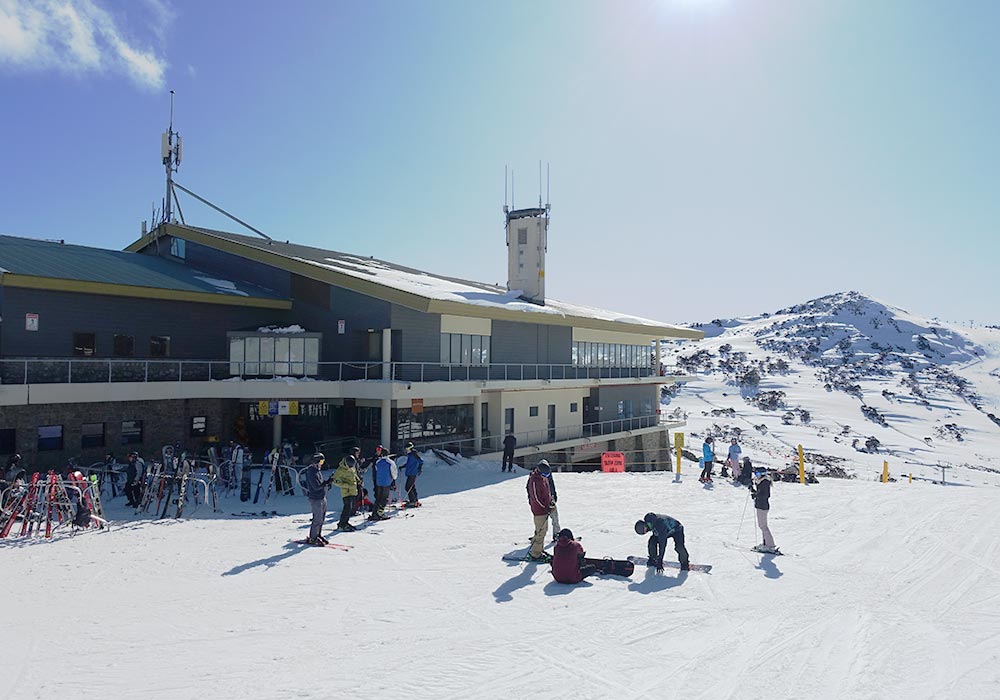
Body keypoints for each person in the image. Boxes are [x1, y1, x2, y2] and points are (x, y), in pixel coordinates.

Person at [526, 462, 555, 561]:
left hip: (545, 509)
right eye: (544, 474)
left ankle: (539, 550)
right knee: (540, 532)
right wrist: (545, 507)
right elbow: (535, 498)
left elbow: (547, 492)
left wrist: (551, 501)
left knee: (543, 530)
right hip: (539, 510)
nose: (545, 476)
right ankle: (535, 554)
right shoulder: (534, 480)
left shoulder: (543, 478)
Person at [303, 453, 330, 546]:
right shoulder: (311, 472)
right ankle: (313, 537)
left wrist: (328, 482)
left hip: (321, 497)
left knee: (322, 518)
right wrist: (326, 483)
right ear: (316, 462)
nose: (322, 464)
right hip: (315, 498)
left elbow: (320, 483)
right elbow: (316, 486)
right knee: (317, 519)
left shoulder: (317, 470)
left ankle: (318, 534)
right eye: (321, 462)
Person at [751, 467, 777, 553]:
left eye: (757, 474)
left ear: (762, 474)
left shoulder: (764, 482)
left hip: (762, 506)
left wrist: (756, 495)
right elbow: (760, 492)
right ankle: (766, 544)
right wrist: (753, 490)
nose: (756, 475)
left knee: (763, 526)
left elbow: (765, 495)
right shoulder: (761, 482)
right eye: (755, 473)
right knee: (762, 526)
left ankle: (770, 545)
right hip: (761, 505)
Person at [331, 454, 359, 531]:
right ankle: (342, 524)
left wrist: (358, 480)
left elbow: (354, 475)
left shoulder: (352, 467)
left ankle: (345, 522)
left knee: (350, 508)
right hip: (346, 492)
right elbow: (334, 480)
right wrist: (345, 485)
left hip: (353, 490)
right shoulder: (340, 470)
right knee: (347, 508)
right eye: (349, 465)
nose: (351, 467)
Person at [370, 447, 395, 521]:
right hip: (386, 482)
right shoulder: (390, 462)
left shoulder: (378, 461)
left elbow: (376, 470)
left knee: (378, 497)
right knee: (384, 498)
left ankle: (375, 513)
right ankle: (380, 513)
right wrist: (393, 479)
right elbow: (394, 472)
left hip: (379, 482)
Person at [538, 460, 560, 542]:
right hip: (540, 500)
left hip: (550, 498)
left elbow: (551, 484)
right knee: (541, 519)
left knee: (555, 517)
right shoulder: (535, 477)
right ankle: (538, 534)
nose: (546, 476)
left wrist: (554, 495)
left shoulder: (548, 473)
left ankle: (556, 533)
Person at [401, 442, 424, 506]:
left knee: (408, 487)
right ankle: (415, 500)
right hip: (410, 473)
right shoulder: (410, 455)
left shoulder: (414, 454)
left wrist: (419, 468)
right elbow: (409, 464)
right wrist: (403, 466)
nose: (405, 451)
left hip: (412, 473)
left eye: (406, 449)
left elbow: (421, 461)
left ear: (409, 449)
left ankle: (413, 501)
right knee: (412, 487)